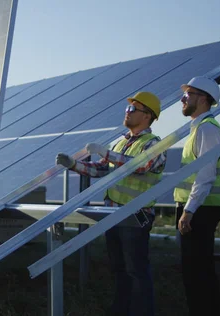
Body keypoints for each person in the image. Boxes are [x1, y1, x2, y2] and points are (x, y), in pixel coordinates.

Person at [56, 91, 166, 316]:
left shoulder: (154, 144)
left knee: (136, 271)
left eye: (132, 109)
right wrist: (74, 165)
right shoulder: (120, 143)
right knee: (120, 270)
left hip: (136, 216)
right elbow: (103, 169)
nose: (127, 112)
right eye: (127, 108)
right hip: (113, 215)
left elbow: (140, 166)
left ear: (147, 115)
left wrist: (105, 152)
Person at [173, 76, 220, 316]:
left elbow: (206, 174)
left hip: (202, 208)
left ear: (204, 98)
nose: (183, 98)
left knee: (198, 271)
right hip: (199, 207)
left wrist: (189, 211)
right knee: (195, 270)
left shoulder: (207, 129)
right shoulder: (199, 128)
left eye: (188, 94)